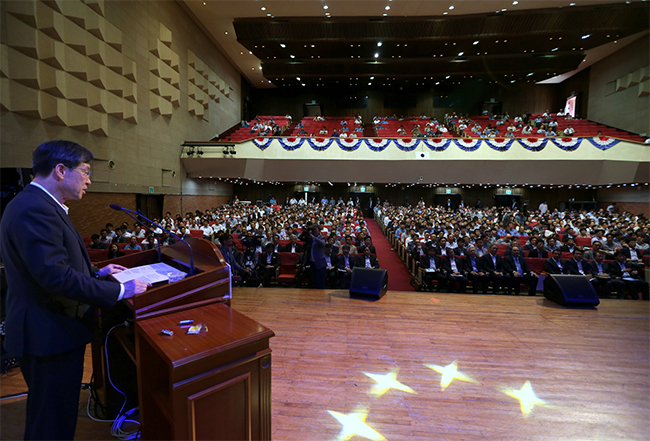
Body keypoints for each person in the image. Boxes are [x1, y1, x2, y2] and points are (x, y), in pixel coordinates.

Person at [0, 140, 150, 440]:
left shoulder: (39, 205)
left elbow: (51, 265)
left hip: (50, 329)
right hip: (47, 333)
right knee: (51, 422)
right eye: (85, 171)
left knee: (55, 413)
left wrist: (97, 272)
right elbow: (53, 277)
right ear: (60, 170)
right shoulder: (35, 209)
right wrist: (119, 292)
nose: (89, 180)